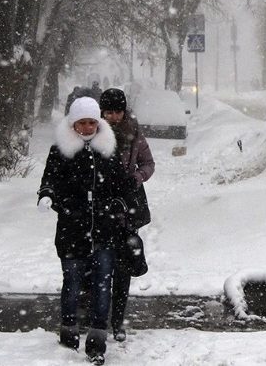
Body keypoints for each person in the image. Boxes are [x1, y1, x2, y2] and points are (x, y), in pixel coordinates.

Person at [37, 97, 134, 365]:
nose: (88, 127)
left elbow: (122, 184)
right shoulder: (61, 150)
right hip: (72, 230)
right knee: (72, 282)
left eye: (92, 122)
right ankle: (68, 334)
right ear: (73, 123)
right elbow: (50, 179)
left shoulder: (108, 148)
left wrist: (119, 203)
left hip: (104, 231)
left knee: (103, 285)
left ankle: (97, 340)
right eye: (83, 122)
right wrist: (48, 196)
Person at [99, 88, 155, 342]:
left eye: (117, 111)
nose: (113, 116)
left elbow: (148, 164)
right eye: (108, 111)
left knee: (122, 268)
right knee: (99, 266)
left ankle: (118, 321)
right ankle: (96, 317)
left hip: (127, 207)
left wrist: (135, 178)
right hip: (100, 208)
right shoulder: (93, 132)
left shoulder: (134, 134)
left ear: (124, 111)